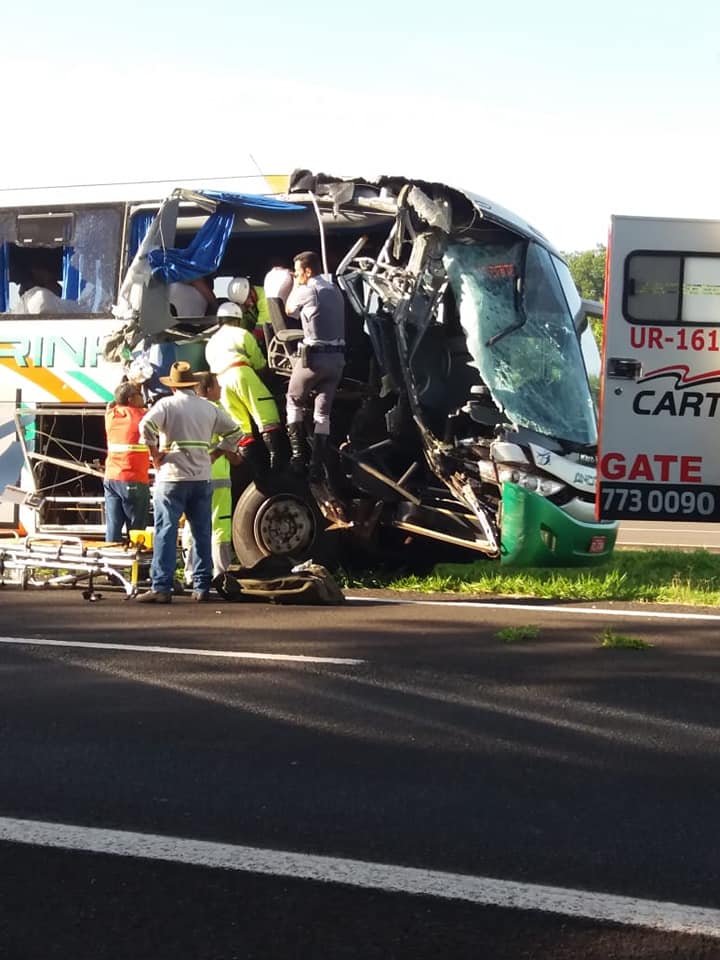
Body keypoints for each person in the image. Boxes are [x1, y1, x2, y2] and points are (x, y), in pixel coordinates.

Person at [136, 361, 243, 603]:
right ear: (193, 385)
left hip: (172, 477)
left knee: (166, 530)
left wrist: (154, 456)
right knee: (202, 531)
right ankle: (202, 586)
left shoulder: (166, 405)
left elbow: (145, 426)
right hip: (201, 477)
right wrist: (215, 453)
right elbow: (236, 433)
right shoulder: (208, 408)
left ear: (173, 386)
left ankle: (162, 587)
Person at [284, 250, 345, 481]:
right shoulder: (335, 290)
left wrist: (293, 285)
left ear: (307, 271)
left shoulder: (307, 290)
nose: (296, 276)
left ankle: (298, 457)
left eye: (298, 272)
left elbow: (289, 310)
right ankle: (316, 466)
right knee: (322, 413)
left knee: (293, 399)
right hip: (337, 360)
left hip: (314, 359)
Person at [205, 295, 284, 471]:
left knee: (241, 427)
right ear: (238, 320)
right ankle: (276, 463)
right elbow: (259, 363)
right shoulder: (241, 333)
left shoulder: (210, 343)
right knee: (266, 414)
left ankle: (254, 469)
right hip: (241, 372)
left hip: (222, 382)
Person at [182, 372, 243, 581]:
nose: (221, 389)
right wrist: (227, 454)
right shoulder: (216, 410)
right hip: (217, 476)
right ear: (207, 390)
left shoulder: (187, 410)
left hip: (192, 475)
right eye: (217, 385)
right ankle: (221, 573)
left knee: (192, 523)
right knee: (220, 525)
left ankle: (190, 572)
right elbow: (233, 436)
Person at [103, 382, 150, 542]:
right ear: (131, 399)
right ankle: (138, 566)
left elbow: (111, 405)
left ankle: (111, 564)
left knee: (113, 528)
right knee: (136, 531)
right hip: (133, 479)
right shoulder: (141, 417)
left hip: (111, 478)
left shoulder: (111, 415)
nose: (143, 397)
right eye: (140, 394)